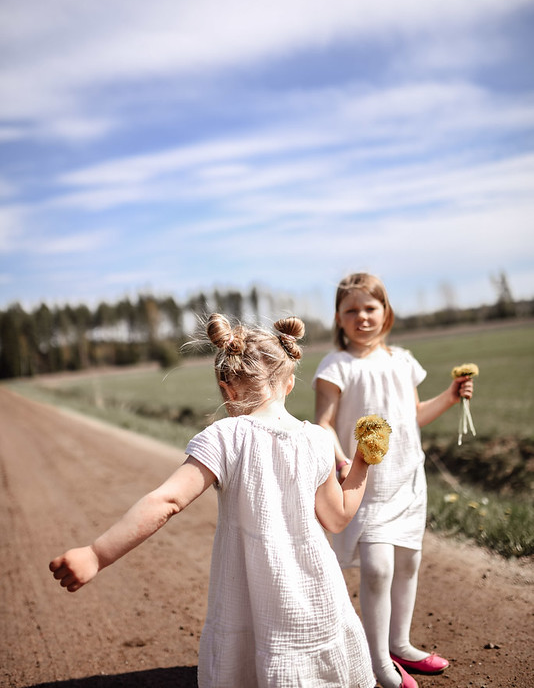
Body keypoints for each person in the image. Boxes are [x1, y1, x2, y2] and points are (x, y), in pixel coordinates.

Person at [50, 313, 376, 688]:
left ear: (228, 389)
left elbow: (167, 501)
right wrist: (361, 466)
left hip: (256, 599)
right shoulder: (318, 440)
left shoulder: (225, 436)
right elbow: (337, 519)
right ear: (288, 383)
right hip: (318, 598)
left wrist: (96, 554)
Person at [313, 273, 474, 688]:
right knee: (378, 567)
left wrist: (451, 396)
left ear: (386, 312)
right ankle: (377, 660)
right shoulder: (336, 366)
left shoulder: (403, 360)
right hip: (366, 481)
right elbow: (324, 424)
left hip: (407, 477)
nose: (362, 317)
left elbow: (414, 416)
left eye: (370, 308)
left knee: (408, 562)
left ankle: (400, 644)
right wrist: (343, 459)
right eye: (352, 310)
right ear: (338, 317)